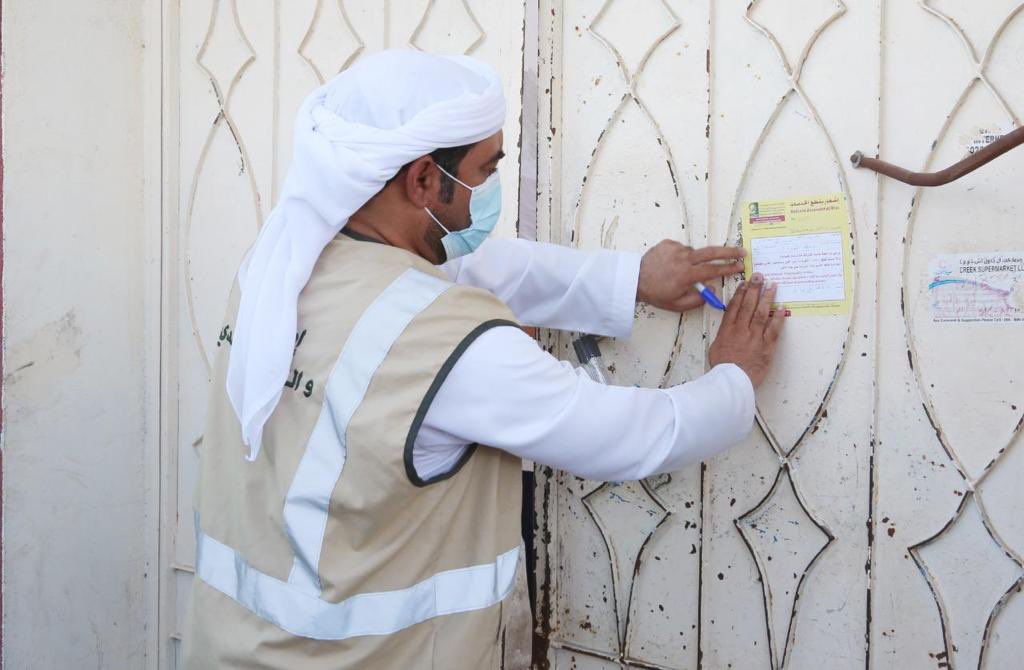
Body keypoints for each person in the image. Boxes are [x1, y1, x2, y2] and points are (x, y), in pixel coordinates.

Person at [182, 49, 784, 670]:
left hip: (231, 647)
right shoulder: (445, 337)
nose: (492, 187)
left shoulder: (279, 267)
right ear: (421, 179)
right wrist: (734, 378)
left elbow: (485, 266)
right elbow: (630, 436)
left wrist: (631, 277)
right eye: (486, 169)